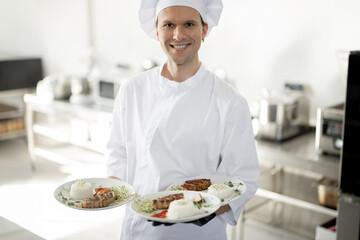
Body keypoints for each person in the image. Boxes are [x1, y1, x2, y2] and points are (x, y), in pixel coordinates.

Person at [106, 0, 260, 239]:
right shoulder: (132, 90)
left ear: (204, 30)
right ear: (157, 32)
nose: (178, 35)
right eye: (169, 25)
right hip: (137, 230)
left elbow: (243, 179)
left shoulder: (229, 102)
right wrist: (108, 193)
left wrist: (200, 212)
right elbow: (117, 154)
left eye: (189, 24)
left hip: (196, 233)